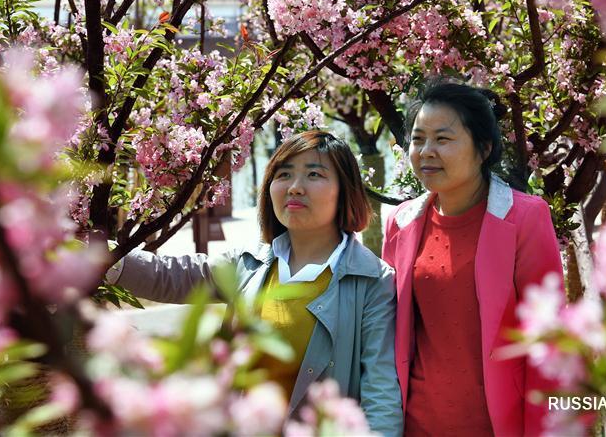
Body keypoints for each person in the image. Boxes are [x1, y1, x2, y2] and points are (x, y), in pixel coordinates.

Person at [107, 130, 403, 435]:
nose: (295, 187)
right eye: (284, 174)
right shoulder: (251, 263)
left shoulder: (371, 280)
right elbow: (172, 277)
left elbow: (380, 389)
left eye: (314, 174)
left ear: (345, 190)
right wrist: (99, 258)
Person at [382, 79, 564, 437]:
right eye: (418, 139)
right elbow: (390, 333)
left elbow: (548, 341)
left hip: (497, 425)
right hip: (417, 425)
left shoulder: (525, 218)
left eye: (443, 138)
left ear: (483, 149)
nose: (426, 151)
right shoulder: (401, 221)